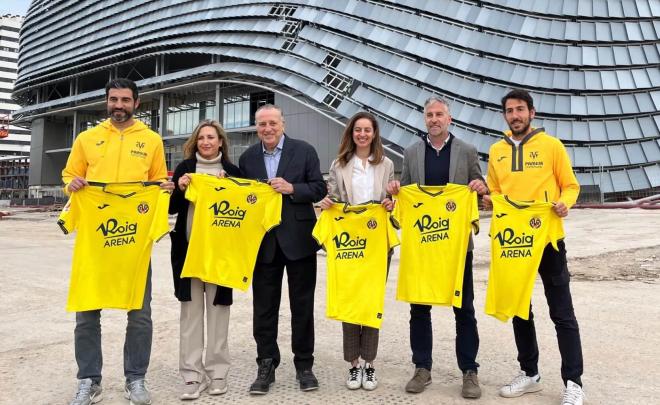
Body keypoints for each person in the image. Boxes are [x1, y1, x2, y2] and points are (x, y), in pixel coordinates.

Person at [63, 78, 174, 405]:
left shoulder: (152, 140)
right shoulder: (87, 139)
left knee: (140, 314)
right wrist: (73, 183)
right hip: (95, 243)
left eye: (126, 100)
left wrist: (163, 189)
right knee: (86, 314)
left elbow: (157, 181)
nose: (119, 105)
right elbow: (69, 175)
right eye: (114, 99)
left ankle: (136, 379)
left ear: (137, 103)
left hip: (134, 244)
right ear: (106, 101)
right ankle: (88, 380)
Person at [484, 89, 584, 405]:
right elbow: (494, 191)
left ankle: (574, 381)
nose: (515, 115)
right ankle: (530, 373)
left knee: (562, 312)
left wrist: (565, 204)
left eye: (520, 110)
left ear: (532, 112)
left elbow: (571, 185)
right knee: (519, 309)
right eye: (510, 111)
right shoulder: (496, 151)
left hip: (548, 240)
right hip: (512, 242)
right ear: (505, 116)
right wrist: (487, 197)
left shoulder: (552, 146)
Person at [387, 96, 488, 398]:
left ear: (449, 119)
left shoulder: (467, 151)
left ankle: (469, 371)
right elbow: (404, 193)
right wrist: (395, 196)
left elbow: (480, 186)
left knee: (464, 309)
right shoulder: (412, 152)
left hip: (457, 248)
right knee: (419, 308)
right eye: (429, 115)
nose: (434, 119)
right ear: (424, 119)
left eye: (439, 114)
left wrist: (481, 188)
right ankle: (422, 368)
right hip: (422, 247)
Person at [238, 104, 326, 394]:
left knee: (302, 307)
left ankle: (305, 365)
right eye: (262, 124)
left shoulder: (305, 151)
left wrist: (293, 189)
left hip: (299, 240)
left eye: (272, 123)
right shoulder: (248, 157)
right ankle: (266, 364)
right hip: (263, 242)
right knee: (264, 309)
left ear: (283, 124)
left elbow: (319, 189)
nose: (268, 129)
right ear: (256, 127)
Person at [318, 111, 394, 391]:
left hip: (376, 243)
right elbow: (336, 198)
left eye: (367, 130)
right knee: (350, 301)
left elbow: (389, 200)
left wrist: (390, 205)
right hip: (350, 243)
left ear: (374, 134)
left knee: (371, 302)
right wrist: (327, 203)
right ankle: (353, 364)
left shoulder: (386, 164)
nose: (362, 134)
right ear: (351, 133)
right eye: (357, 130)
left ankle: (369, 364)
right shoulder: (339, 164)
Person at [169, 120, 241, 399]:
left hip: (221, 255)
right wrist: (180, 188)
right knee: (190, 314)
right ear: (195, 142)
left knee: (219, 313)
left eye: (211, 137)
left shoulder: (233, 172)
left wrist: (231, 188)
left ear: (221, 141)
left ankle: (218, 373)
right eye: (201, 138)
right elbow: (171, 207)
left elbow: (242, 210)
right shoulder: (185, 169)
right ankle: (191, 376)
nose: (206, 142)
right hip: (188, 252)